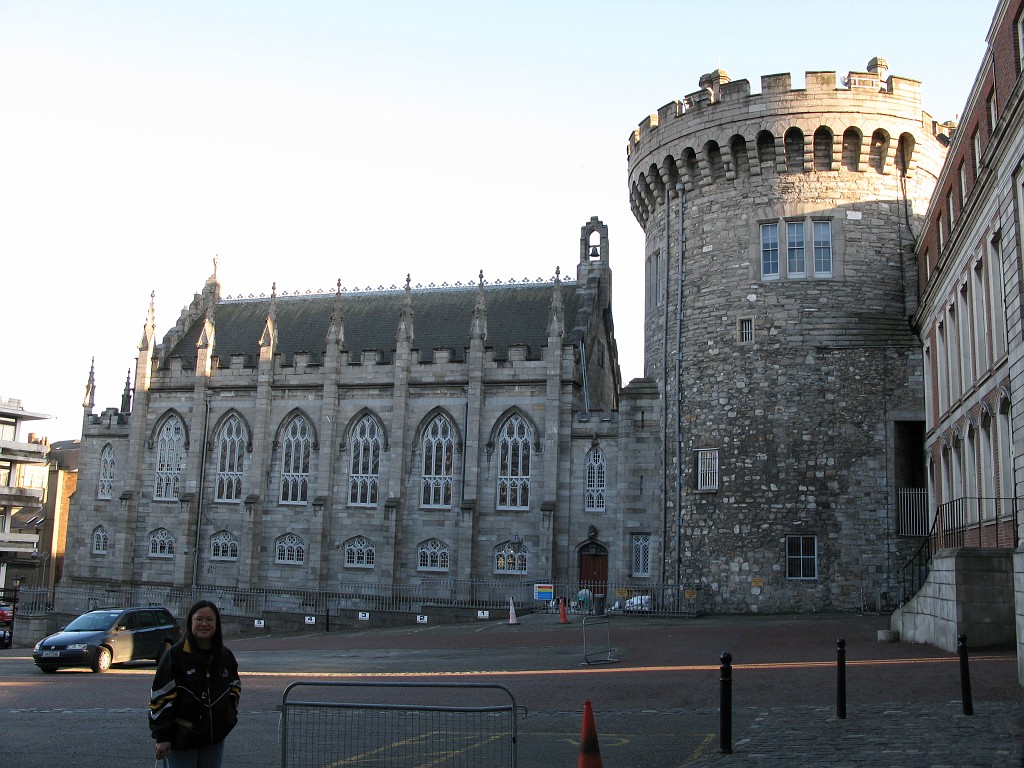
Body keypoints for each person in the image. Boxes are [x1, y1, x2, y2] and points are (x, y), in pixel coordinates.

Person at [149, 600, 241, 768]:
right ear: (190, 622)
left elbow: (235, 687)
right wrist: (162, 737)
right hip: (182, 739)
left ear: (217, 623)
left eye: (210, 619)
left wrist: (227, 716)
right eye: (199, 619)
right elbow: (161, 698)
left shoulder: (225, 656)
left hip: (213, 739)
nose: (204, 624)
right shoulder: (175, 656)